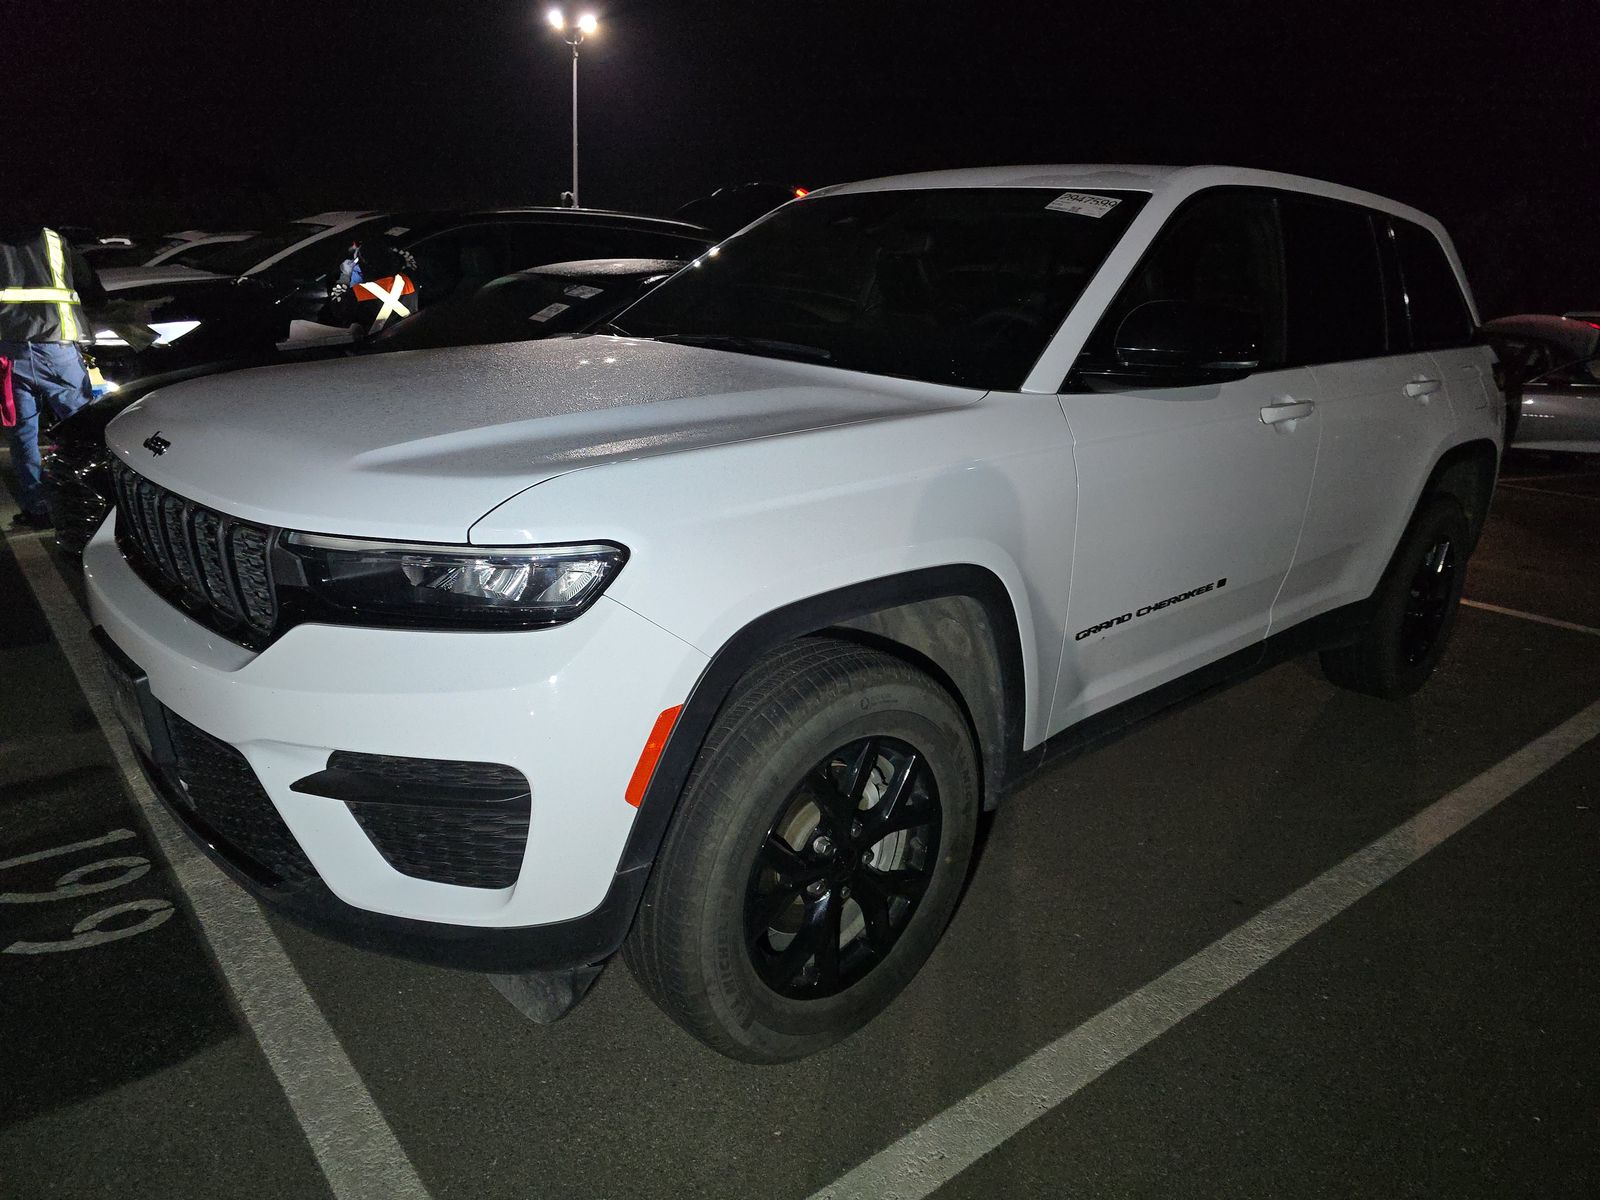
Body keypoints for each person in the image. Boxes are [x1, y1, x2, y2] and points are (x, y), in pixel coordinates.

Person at [1, 223, 107, 529]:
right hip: (57, 349)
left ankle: (38, 508)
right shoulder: (56, 241)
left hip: (7, 353)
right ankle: (95, 500)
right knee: (82, 426)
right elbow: (92, 290)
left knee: (22, 435)